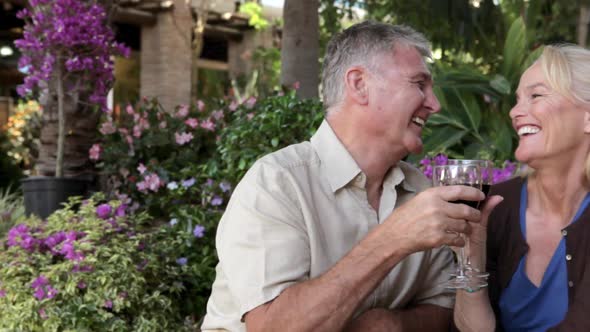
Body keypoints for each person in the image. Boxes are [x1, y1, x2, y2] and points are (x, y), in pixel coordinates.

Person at [202, 21, 489, 332]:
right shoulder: (276, 184)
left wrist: (394, 324)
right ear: (359, 84)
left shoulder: (421, 191)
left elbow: (443, 307)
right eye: (419, 84)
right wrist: (392, 240)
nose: (435, 104)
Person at [454, 44, 590, 331]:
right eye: (517, 100)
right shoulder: (497, 205)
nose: (515, 112)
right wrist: (472, 254)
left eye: (536, 95)